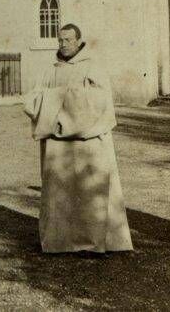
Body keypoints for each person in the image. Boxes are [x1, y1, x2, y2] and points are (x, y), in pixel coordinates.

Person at [22, 24, 133, 254]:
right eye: (60, 40)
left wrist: (56, 100)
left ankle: (92, 242)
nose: (63, 44)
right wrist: (61, 99)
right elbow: (32, 100)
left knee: (88, 191)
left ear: (79, 40)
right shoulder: (49, 69)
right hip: (57, 145)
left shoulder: (93, 67)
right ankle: (60, 242)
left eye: (68, 40)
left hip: (87, 142)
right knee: (59, 191)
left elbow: (100, 101)